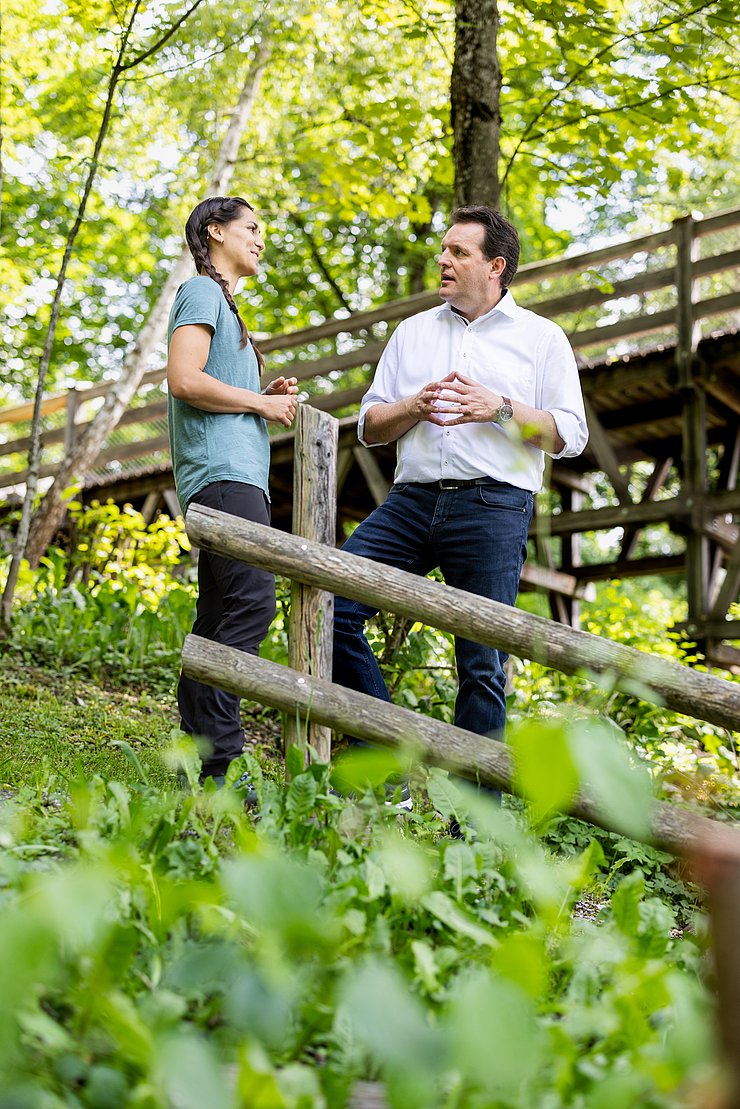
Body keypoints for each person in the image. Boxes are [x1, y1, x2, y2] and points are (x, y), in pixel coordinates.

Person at [332, 205, 588, 795]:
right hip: (410, 502)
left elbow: (570, 436)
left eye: (458, 252)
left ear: (495, 266)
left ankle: (477, 823)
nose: (443, 260)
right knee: (331, 606)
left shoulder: (542, 338)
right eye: (443, 250)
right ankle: (388, 755)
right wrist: (413, 407)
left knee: (481, 664)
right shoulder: (412, 332)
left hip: (494, 508)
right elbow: (369, 425)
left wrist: (500, 409)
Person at [166, 195, 298, 786]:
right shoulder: (201, 291)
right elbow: (183, 379)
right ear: (215, 232)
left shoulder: (223, 304)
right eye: (251, 227)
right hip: (221, 475)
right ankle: (221, 759)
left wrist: (259, 395)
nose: (260, 238)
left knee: (220, 613)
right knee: (253, 603)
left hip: (233, 476)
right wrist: (260, 404)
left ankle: (203, 758)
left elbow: (212, 384)